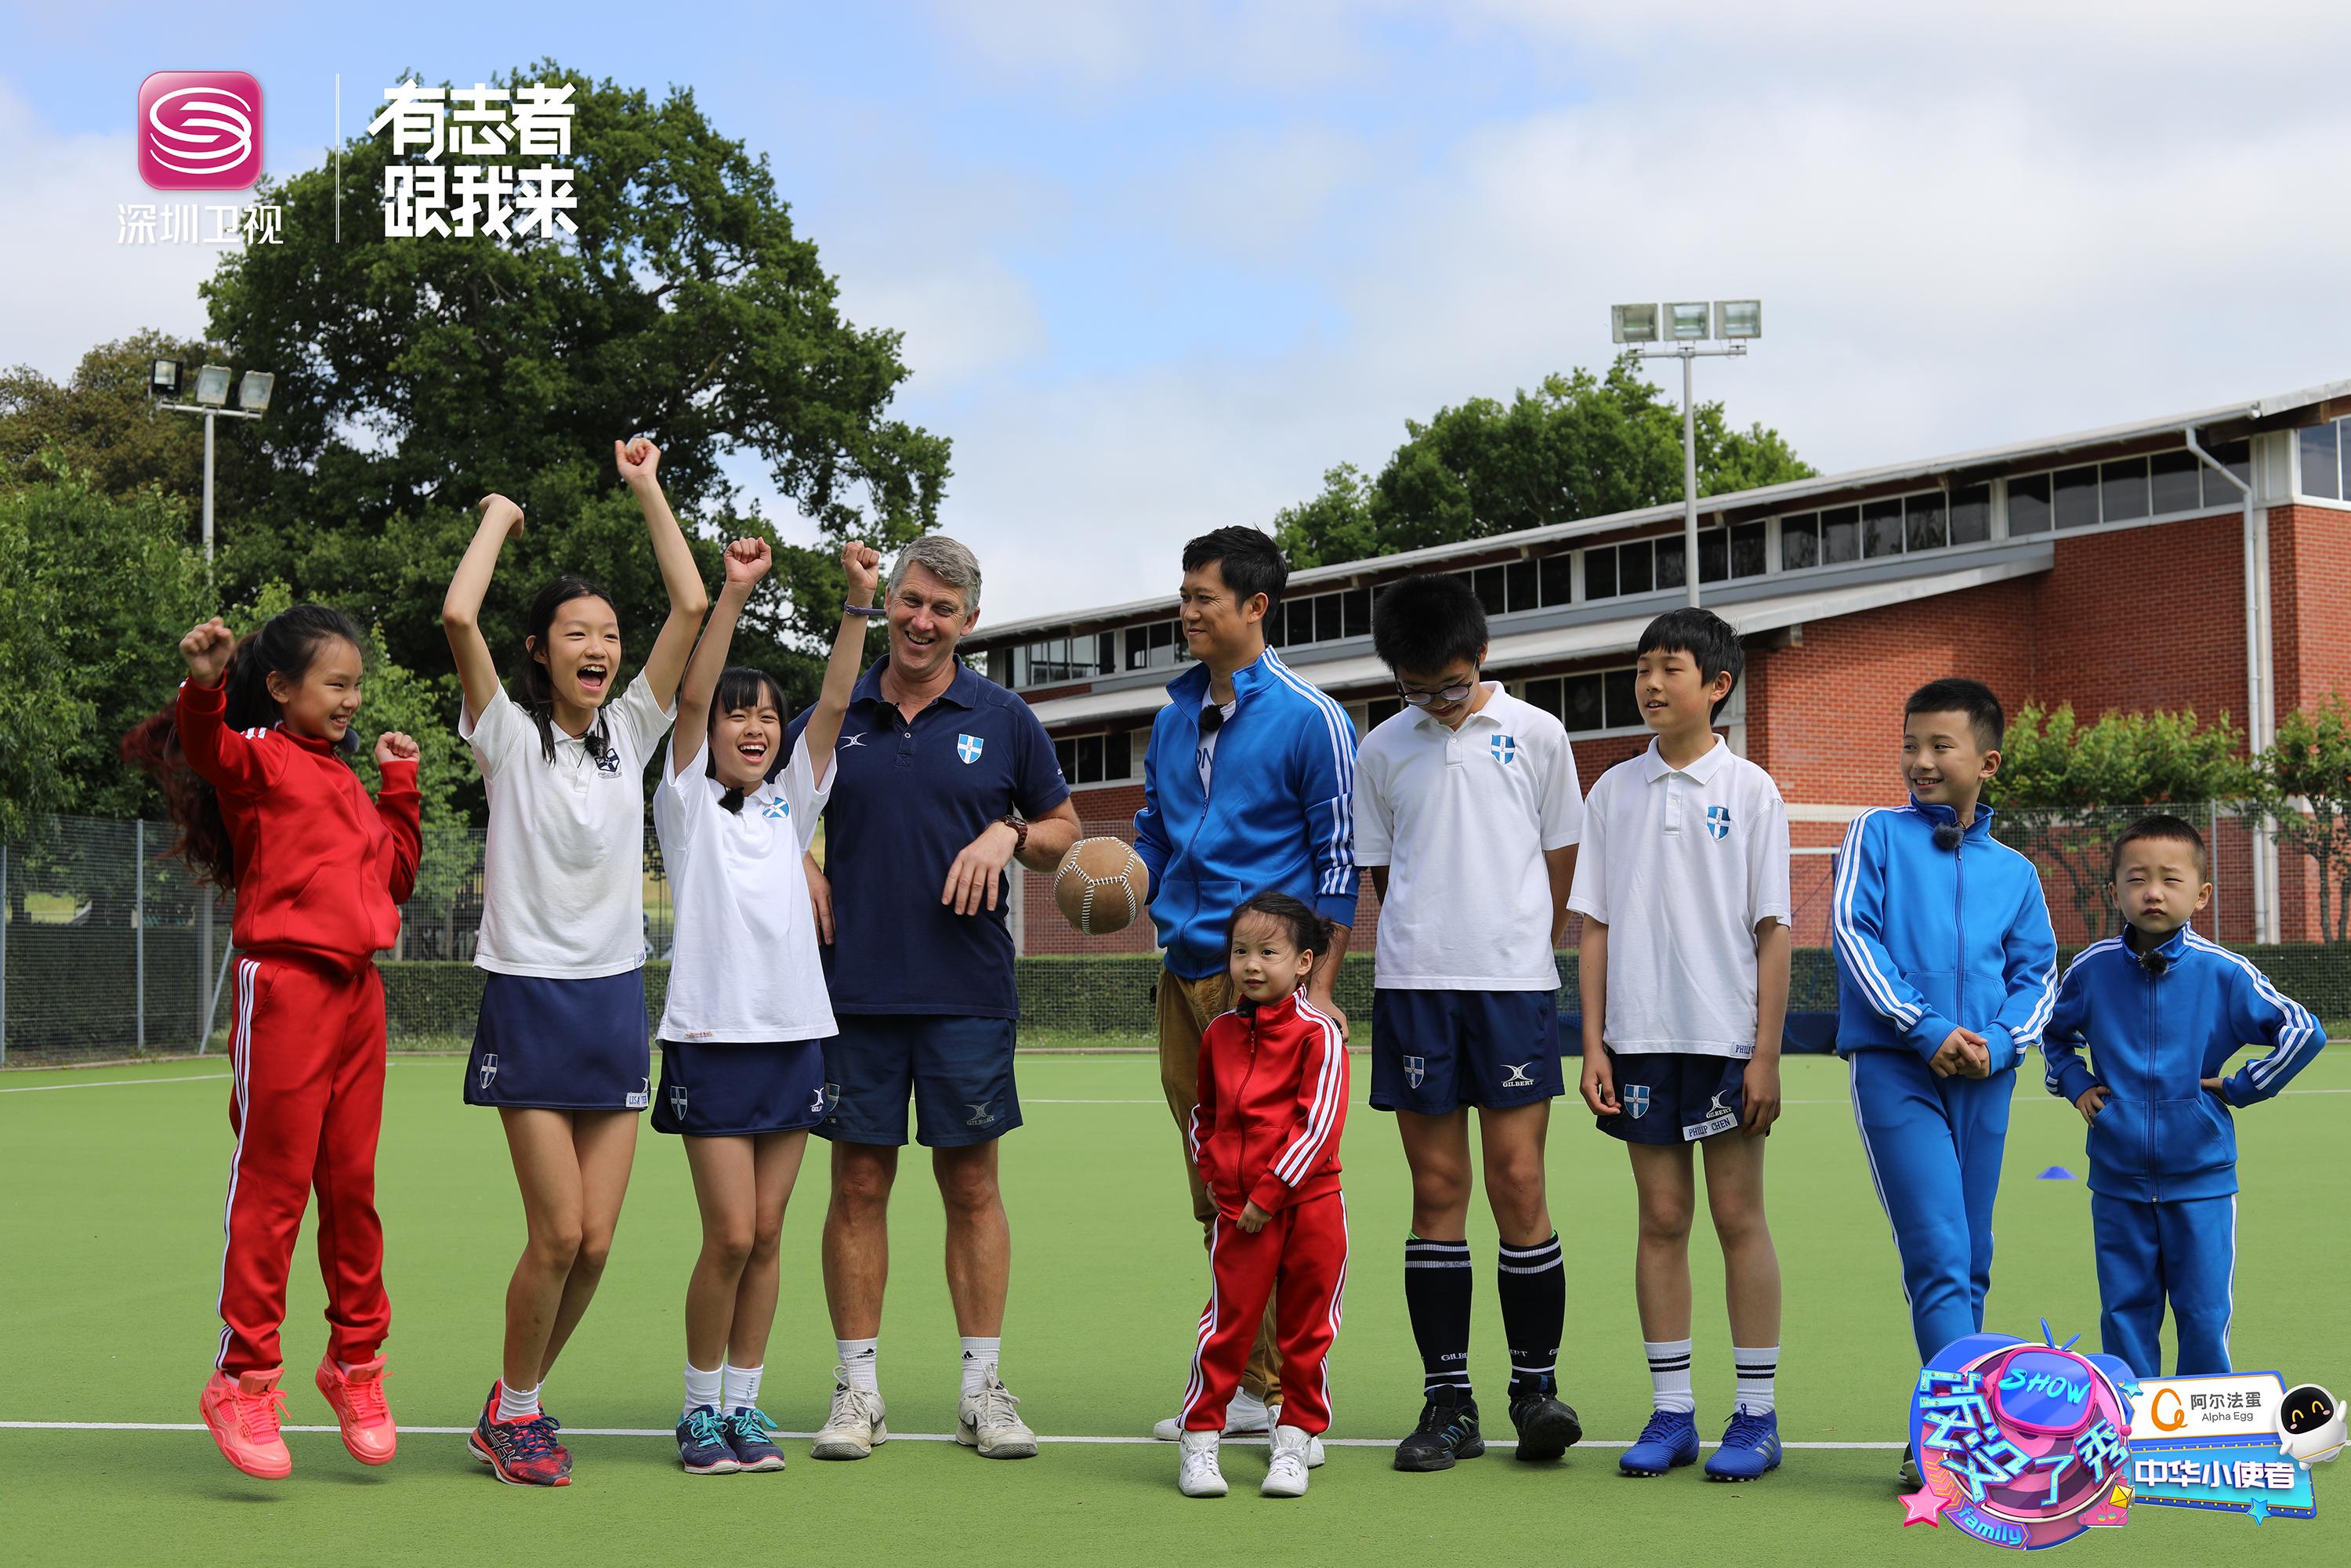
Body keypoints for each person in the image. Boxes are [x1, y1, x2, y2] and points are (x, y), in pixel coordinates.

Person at [440, 440, 708, 1487]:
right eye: (577, 634)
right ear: (540, 652)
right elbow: (460, 618)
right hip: (528, 1000)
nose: (599, 647)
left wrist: (648, 486)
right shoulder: (505, 735)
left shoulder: (630, 732)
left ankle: (515, 1406)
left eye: (607, 634)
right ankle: (514, 1413)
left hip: (611, 1004)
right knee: (555, 1229)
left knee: (595, 1244)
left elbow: (688, 605)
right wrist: (499, 519)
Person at [792, 534, 1081, 1463]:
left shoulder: (1003, 717)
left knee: (971, 1186)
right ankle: (857, 1392)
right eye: (910, 601)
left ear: (969, 622)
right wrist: (800, 860)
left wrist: (1010, 831)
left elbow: (1064, 826)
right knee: (859, 1184)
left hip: (967, 991)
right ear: (892, 603)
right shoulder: (839, 709)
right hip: (854, 991)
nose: (921, 620)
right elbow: (759, 800)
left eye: (941, 610)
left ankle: (982, 1390)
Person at [125, 607, 421, 1482]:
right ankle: (244, 1378)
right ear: (283, 688)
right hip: (284, 988)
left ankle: (356, 1364)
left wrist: (397, 785)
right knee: (274, 1186)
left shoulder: (345, 781)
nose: (351, 699)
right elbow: (205, 745)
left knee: (352, 1188)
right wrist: (205, 683)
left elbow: (394, 875)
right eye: (336, 684)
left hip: (358, 995)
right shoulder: (256, 757)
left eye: (356, 685)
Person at [652, 537, 879, 1475]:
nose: (753, 726)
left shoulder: (793, 799)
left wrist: (860, 600)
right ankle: (699, 1409)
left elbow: (834, 701)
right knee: (731, 1233)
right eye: (739, 716)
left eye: (765, 717)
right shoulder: (684, 802)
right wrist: (735, 593)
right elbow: (692, 694)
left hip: (795, 1041)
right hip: (710, 1041)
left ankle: (745, 1408)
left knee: (772, 1232)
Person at [1352, 572, 1583, 1472]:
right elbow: (1384, 872)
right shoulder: (1384, 749)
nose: (1437, 703)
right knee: (1438, 1192)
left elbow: (1562, 862)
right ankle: (1449, 1403)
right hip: (1415, 989)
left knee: (1519, 1182)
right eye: (1416, 689)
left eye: (1450, 683)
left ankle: (1537, 1392)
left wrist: (1519, 942)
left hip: (1513, 989)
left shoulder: (1539, 735)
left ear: (1480, 658)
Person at [1138, 526, 1359, 1443]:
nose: (1187, 611)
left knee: (1272, 1189)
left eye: (1204, 598)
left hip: (1263, 991)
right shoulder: (1169, 714)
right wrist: (1114, 881)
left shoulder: (1313, 717)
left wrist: (1320, 987)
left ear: (1256, 607)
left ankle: (1274, 1394)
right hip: (1183, 973)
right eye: (1184, 595)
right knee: (1214, 1189)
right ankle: (1235, 1385)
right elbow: (1151, 831)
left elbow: (1338, 863)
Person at [1571, 608, 1791, 1483]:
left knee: (1738, 1218)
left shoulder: (1753, 792)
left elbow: (1773, 931)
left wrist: (1763, 1054)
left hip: (1724, 1040)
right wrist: (1592, 1045)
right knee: (1661, 1220)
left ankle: (1758, 1417)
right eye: (1642, 670)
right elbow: (1593, 927)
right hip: (1639, 1041)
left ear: (1717, 685)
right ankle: (1671, 1414)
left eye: (1669, 669)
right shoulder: (1613, 792)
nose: (1651, 685)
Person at [1831, 675, 2056, 1489]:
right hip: (1898, 1068)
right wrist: (1924, 1028)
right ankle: (1961, 1437)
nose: (1918, 762)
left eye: (1939, 747)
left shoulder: (2018, 873)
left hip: (1985, 1076)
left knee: (1975, 1255)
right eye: (1910, 745)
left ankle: (1940, 1421)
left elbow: (2040, 974)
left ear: (1985, 761)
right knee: (1938, 1250)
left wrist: (1996, 1043)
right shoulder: (1873, 837)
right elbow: (1852, 936)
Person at [2041, 813, 2325, 1379]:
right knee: (2124, 1310)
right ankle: (2130, 1427)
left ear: (2201, 894)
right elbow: (2051, 1032)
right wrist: (2075, 1082)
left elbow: (2303, 1030)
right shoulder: (2091, 970)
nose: (2152, 891)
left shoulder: (2224, 972)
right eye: (2136, 878)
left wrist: (2245, 1086)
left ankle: (2203, 1431)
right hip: (2117, 1176)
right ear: (2115, 889)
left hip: (2202, 1176)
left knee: (2202, 1310)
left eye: (2170, 879)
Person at [1176, 893, 1350, 1500]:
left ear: (1304, 962)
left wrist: (1269, 1192)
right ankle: (1199, 1440)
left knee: (1308, 1330)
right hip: (1240, 1211)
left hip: (1310, 1205)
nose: (1251, 964)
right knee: (1228, 1325)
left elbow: (1319, 1121)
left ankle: (1294, 1442)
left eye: (1268, 952)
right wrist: (1220, 1178)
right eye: (1240, 951)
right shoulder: (1220, 1034)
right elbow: (1204, 1114)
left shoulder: (1320, 1034)